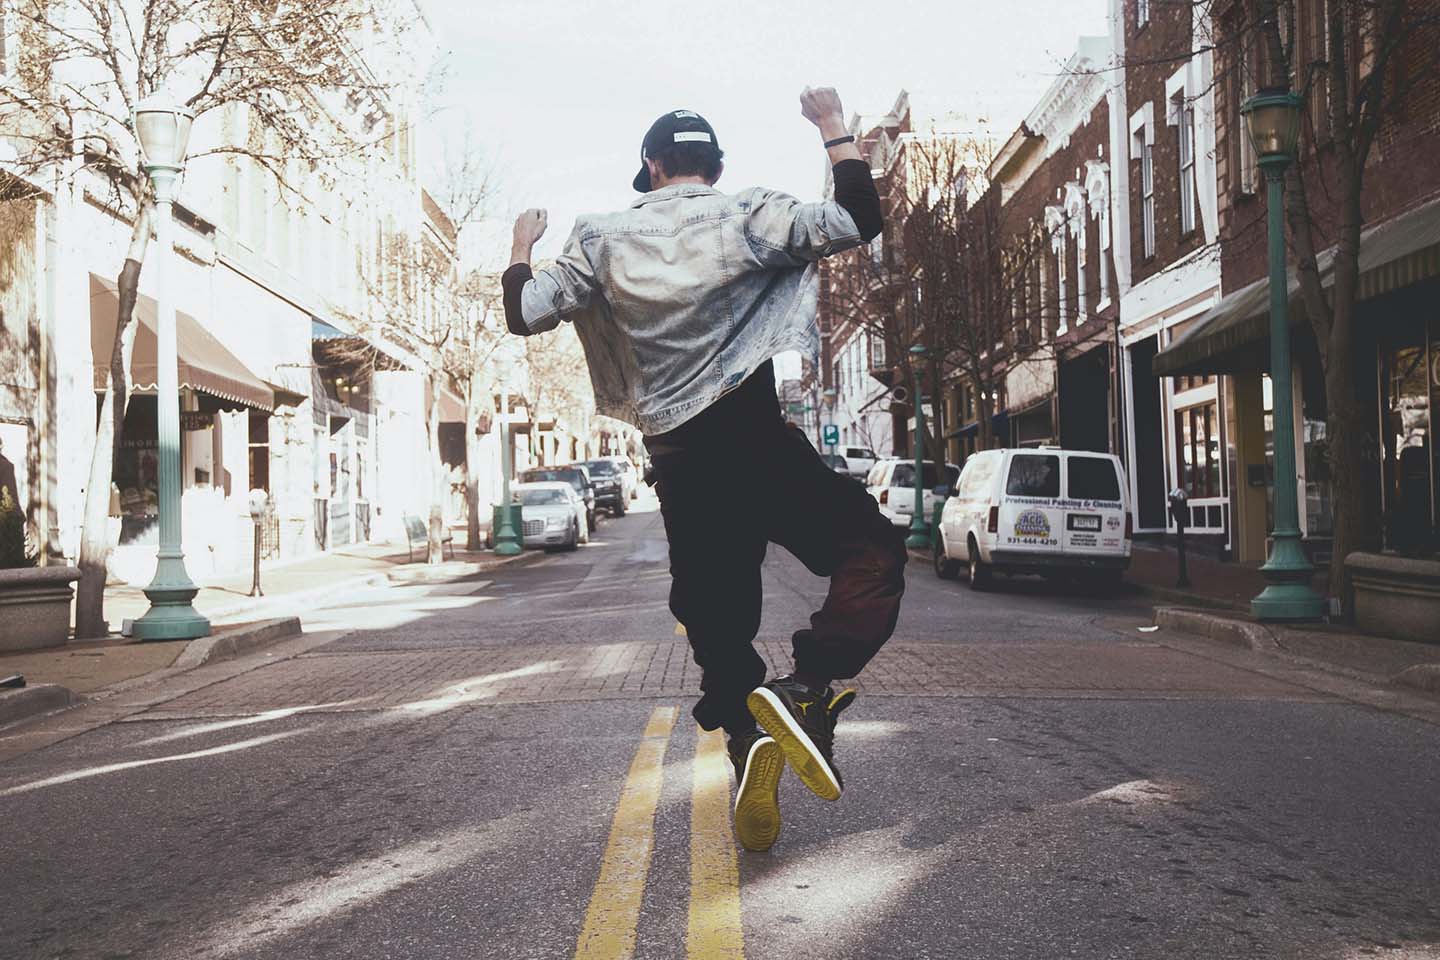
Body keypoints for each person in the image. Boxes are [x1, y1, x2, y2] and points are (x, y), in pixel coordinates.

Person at [502, 87, 907, 851]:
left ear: (651, 168)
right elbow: (859, 218)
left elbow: (524, 313)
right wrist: (831, 128)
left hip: (682, 466)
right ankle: (808, 686)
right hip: (757, 441)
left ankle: (750, 739)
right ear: (713, 166)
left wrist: (523, 245)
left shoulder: (601, 237)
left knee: (719, 632)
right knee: (873, 552)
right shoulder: (750, 213)